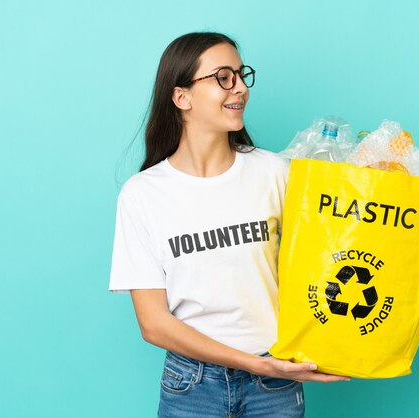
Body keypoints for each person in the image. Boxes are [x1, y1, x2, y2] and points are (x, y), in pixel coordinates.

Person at [109, 32, 348, 418]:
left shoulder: (275, 173)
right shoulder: (142, 195)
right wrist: (252, 363)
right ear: (181, 97)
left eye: (240, 74)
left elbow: (323, 262)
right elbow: (153, 324)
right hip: (191, 387)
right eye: (223, 77)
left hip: (275, 385)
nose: (240, 88)